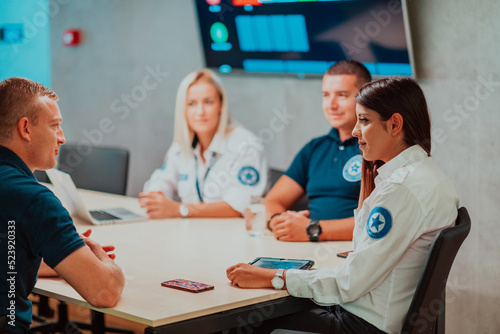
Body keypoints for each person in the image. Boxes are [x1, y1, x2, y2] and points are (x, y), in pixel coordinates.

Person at [226, 76, 459, 334]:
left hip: (361, 324)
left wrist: (274, 276)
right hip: (375, 314)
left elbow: (350, 283)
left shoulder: (400, 190)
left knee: (242, 322)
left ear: (394, 124)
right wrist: (367, 190)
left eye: (364, 120)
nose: (355, 131)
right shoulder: (426, 173)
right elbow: (363, 255)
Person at [0, 77, 125, 334]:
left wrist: (60, 257)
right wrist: (102, 260)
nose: (62, 138)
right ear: (25, 129)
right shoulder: (35, 199)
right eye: (55, 126)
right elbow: (105, 292)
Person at [140, 69, 267, 219]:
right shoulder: (182, 146)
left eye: (208, 102)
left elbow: (239, 207)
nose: (200, 112)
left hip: (230, 236)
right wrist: (156, 198)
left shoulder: (246, 145)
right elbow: (160, 183)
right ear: (184, 109)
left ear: (221, 105)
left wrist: (180, 209)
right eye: (192, 104)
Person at [266, 60, 371, 242]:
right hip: (308, 247)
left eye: (342, 95)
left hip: (351, 252)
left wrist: (312, 229)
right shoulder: (315, 148)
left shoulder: (376, 148)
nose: (331, 105)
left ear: (366, 97)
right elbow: (274, 200)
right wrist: (278, 221)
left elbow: (379, 220)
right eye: (325, 95)